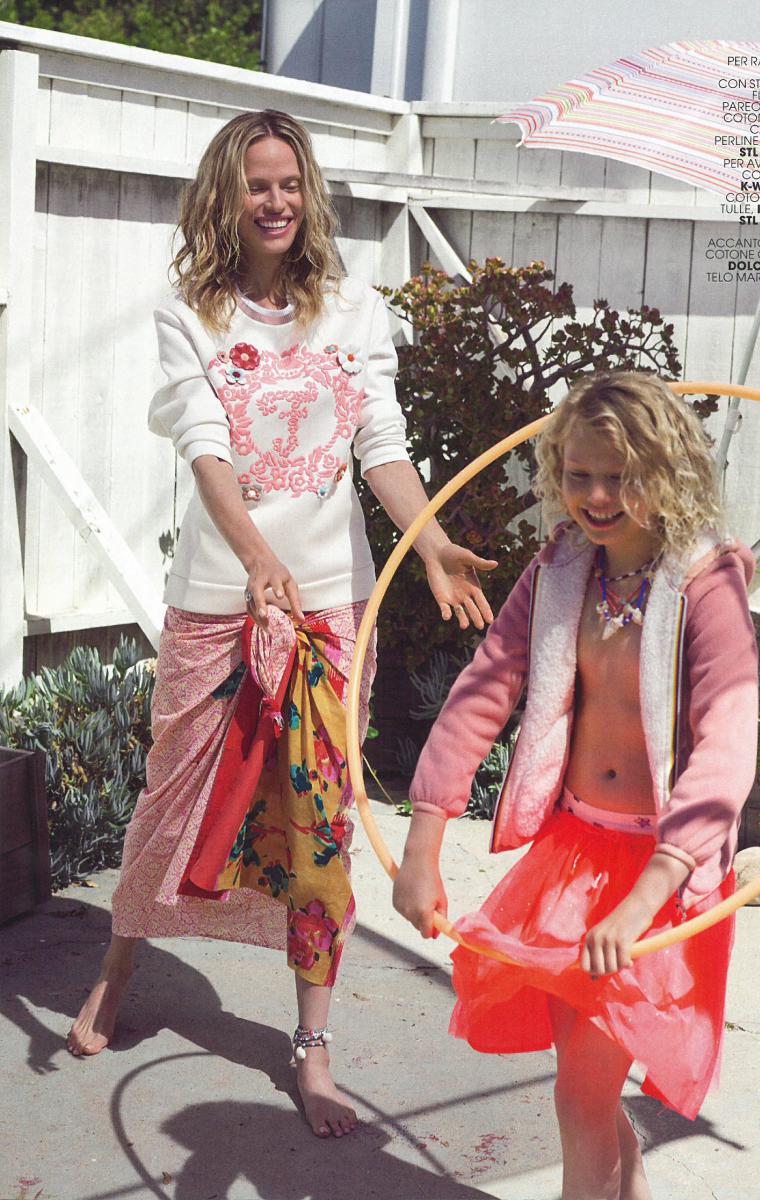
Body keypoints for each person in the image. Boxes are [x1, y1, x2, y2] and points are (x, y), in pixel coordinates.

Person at [67, 109, 497, 1140]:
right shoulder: (191, 315)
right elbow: (206, 446)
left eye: (290, 183)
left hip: (332, 604)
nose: (275, 201)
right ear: (227, 195)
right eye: (256, 184)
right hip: (219, 597)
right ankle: (119, 964)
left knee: (321, 821)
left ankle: (312, 1043)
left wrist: (431, 543)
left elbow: (380, 444)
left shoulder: (355, 312)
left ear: (309, 194)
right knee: (171, 799)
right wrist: (258, 560)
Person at [393, 371, 759, 1200]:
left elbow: (727, 746)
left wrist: (642, 902)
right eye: (578, 475)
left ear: (667, 473)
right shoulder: (560, 573)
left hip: (657, 874)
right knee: (585, 1083)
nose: (596, 497)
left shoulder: (705, 585)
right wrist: (421, 845)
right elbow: (482, 693)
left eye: (620, 477)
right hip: (569, 860)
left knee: (580, 1094)